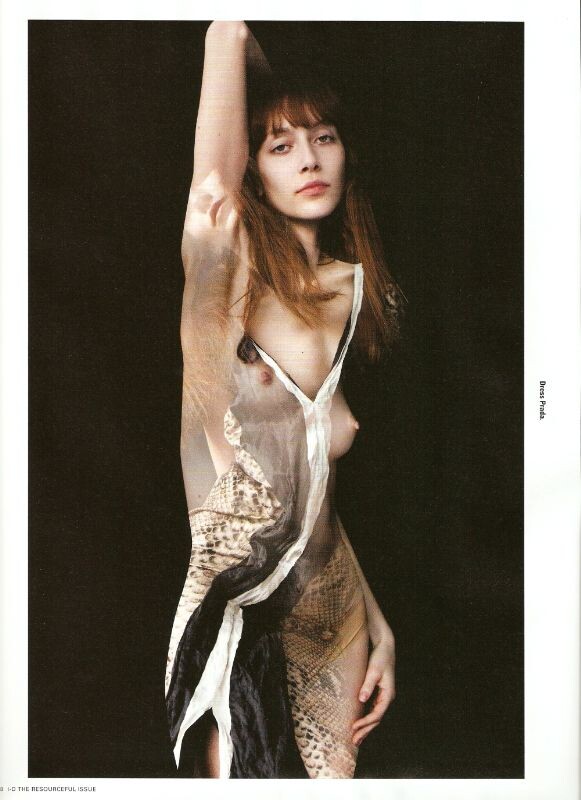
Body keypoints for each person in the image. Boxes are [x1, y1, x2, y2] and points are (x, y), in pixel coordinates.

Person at [164, 21, 401, 779]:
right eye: (279, 144)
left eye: (323, 137)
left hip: (333, 606)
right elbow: (211, 179)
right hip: (236, 604)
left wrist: (377, 620)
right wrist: (234, 35)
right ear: (251, 169)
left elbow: (312, 492)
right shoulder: (225, 275)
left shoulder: (350, 290)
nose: (308, 159)